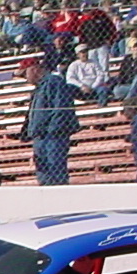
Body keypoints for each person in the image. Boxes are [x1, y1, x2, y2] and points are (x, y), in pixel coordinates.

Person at [16, 56, 81, 186]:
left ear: (34, 69)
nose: (25, 78)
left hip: (52, 136)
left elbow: (61, 108)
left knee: (55, 169)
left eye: (25, 74)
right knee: (44, 171)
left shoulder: (54, 82)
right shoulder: (39, 88)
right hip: (41, 136)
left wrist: (52, 131)